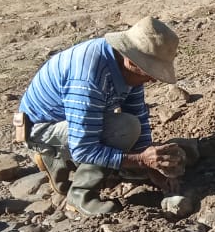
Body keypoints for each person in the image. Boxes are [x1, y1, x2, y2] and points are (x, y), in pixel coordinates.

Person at [15, 16, 187, 215]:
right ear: (132, 63)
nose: (152, 80)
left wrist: (150, 165)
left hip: (71, 120)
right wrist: (141, 160)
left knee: (131, 126)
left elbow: (137, 112)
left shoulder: (124, 65)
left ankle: (58, 161)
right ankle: (79, 195)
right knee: (124, 129)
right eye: (150, 74)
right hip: (41, 129)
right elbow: (84, 149)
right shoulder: (88, 77)